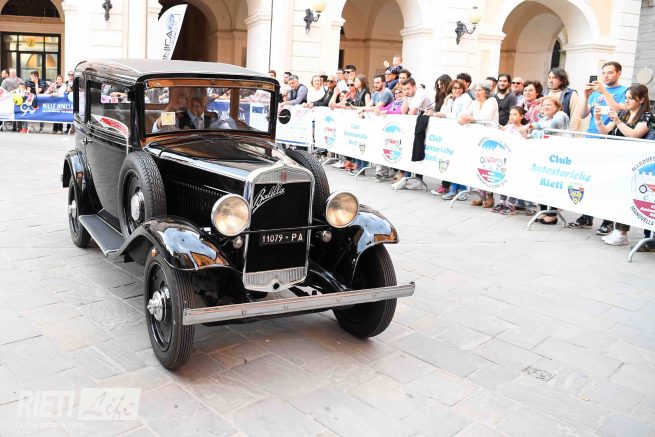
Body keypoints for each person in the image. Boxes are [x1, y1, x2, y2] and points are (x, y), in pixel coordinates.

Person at [568, 61, 629, 233]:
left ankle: (607, 220)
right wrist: (585, 95)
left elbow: (620, 110)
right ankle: (587, 216)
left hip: (610, 140)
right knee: (589, 180)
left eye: (610, 72)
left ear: (618, 73)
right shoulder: (595, 92)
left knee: (606, 181)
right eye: (604, 72)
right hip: (591, 137)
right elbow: (582, 114)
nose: (606, 76)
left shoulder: (624, 91)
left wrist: (604, 92)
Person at [593, 84, 655, 247]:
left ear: (641, 100)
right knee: (618, 196)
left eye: (630, 98)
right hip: (617, 161)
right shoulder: (622, 113)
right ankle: (619, 231)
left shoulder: (647, 116)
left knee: (629, 197)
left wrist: (618, 121)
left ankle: (623, 232)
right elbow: (605, 132)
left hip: (636, 164)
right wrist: (598, 119)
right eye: (626, 98)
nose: (626, 101)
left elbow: (634, 135)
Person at [459, 81, 499, 207]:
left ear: (486, 91)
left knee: (488, 166)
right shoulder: (475, 102)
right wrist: (464, 117)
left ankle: (490, 197)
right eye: (475, 90)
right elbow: (465, 113)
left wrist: (471, 119)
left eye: (480, 90)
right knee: (478, 165)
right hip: (477, 138)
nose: (477, 92)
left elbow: (486, 117)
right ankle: (481, 196)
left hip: (490, 140)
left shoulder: (492, 101)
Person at [397, 77, 432, 190]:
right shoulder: (409, 95)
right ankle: (408, 177)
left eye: (408, 89)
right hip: (419, 123)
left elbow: (411, 113)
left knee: (419, 150)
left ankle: (418, 179)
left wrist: (407, 98)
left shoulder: (420, 93)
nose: (406, 91)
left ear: (414, 87)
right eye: (404, 89)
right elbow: (403, 111)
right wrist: (405, 97)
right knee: (412, 149)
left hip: (428, 124)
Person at [152, 94, 233, 133]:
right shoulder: (177, 117)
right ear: (187, 100)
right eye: (194, 93)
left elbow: (228, 134)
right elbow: (159, 130)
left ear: (206, 100)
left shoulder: (215, 118)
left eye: (201, 92)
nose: (198, 98)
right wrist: (172, 107)